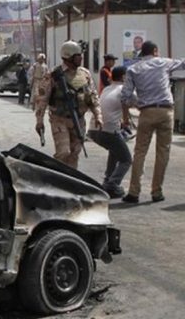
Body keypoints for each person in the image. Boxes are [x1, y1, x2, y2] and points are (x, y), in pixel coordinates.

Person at [120, 41, 185, 203]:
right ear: (155, 51)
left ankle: (134, 192)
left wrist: (140, 103)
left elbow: (125, 96)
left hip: (146, 112)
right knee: (163, 152)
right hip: (166, 111)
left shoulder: (133, 69)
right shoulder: (163, 62)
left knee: (140, 152)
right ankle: (157, 192)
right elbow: (183, 64)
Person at [34, 40, 103, 169]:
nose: (81, 59)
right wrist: (39, 120)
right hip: (59, 119)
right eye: (78, 56)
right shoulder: (53, 75)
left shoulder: (85, 74)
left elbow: (93, 97)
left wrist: (98, 115)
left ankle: (71, 183)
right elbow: (42, 99)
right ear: (68, 57)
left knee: (75, 153)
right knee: (63, 153)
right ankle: (58, 180)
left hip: (79, 120)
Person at [87, 66, 132, 198]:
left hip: (94, 130)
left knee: (114, 150)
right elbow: (137, 102)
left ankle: (107, 180)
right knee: (126, 159)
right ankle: (112, 184)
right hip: (108, 130)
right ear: (124, 77)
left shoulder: (107, 88)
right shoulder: (123, 89)